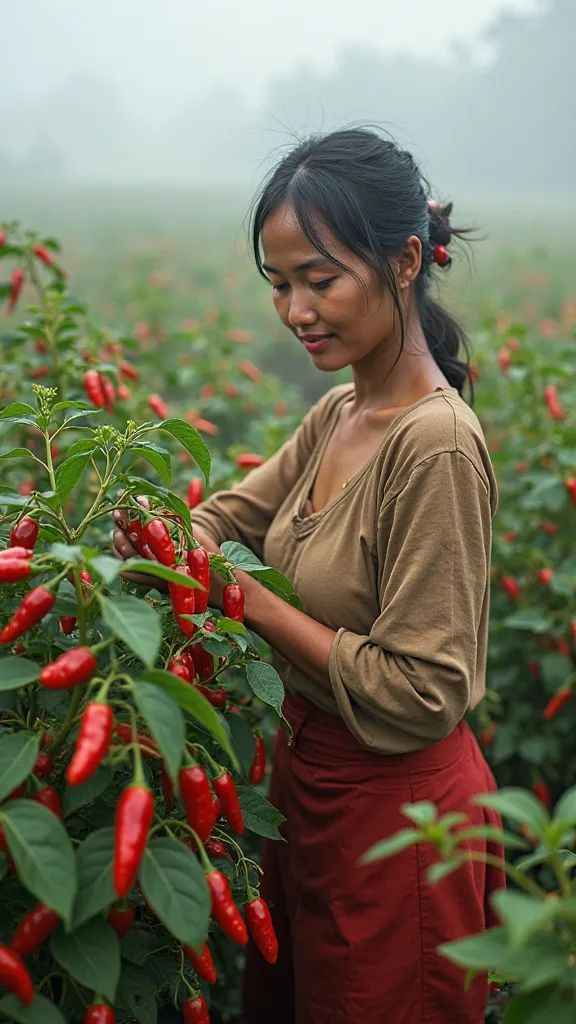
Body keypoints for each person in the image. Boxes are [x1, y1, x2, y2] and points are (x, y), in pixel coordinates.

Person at [113, 128, 505, 1024]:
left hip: (401, 822)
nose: (296, 310)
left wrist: (245, 601)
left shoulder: (434, 445)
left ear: (405, 260)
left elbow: (423, 690)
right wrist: (120, 529)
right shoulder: (341, 411)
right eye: (281, 284)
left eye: (319, 280)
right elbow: (218, 522)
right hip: (305, 796)